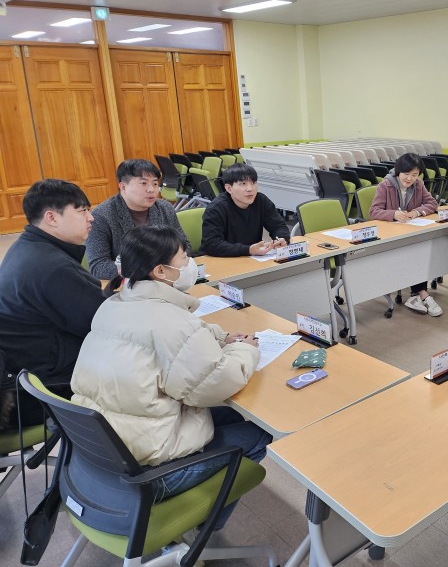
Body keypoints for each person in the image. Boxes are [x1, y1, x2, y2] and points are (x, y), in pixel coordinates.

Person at [71, 225, 271, 528]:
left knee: (229, 417)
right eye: (184, 257)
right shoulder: (171, 322)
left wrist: (219, 337)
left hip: (106, 450)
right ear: (161, 271)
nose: (190, 263)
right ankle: (202, 526)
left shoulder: (115, 303)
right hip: (150, 470)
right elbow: (214, 383)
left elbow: (175, 337)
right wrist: (246, 350)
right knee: (259, 434)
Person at [0, 180, 106, 426]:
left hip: (21, 376)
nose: (91, 218)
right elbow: (104, 324)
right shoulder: (52, 267)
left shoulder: (25, 248)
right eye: (82, 210)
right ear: (52, 218)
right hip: (39, 391)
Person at [87, 159, 191, 280]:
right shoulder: (101, 216)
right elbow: (99, 267)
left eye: (155, 184)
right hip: (127, 284)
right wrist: (148, 270)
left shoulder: (165, 208)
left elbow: (185, 247)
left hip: (165, 279)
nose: (151, 189)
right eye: (143, 183)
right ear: (123, 187)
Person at [369, 153, 442, 316]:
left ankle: (417, 295)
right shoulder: (385, 185)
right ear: (398, 172)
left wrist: (417, 212)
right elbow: (373, 211)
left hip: (409, 234)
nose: (409, 179)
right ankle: (422, 294)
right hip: (389, 237)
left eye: (414, 175)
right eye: (406, 174)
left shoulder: (419, 184)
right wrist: (393, 214)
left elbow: (432, 203)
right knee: (415, 252)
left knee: (421, 249)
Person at [202, 163, 290, 257]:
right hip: (220, 259)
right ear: (229, 188)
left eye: (253, 183)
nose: (250, 189)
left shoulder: (261, 201)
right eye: (243, 184)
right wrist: (248, 250)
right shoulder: (216, 208)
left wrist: (280, 239)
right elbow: (212, 244)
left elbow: (278, 226)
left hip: (252, 258)